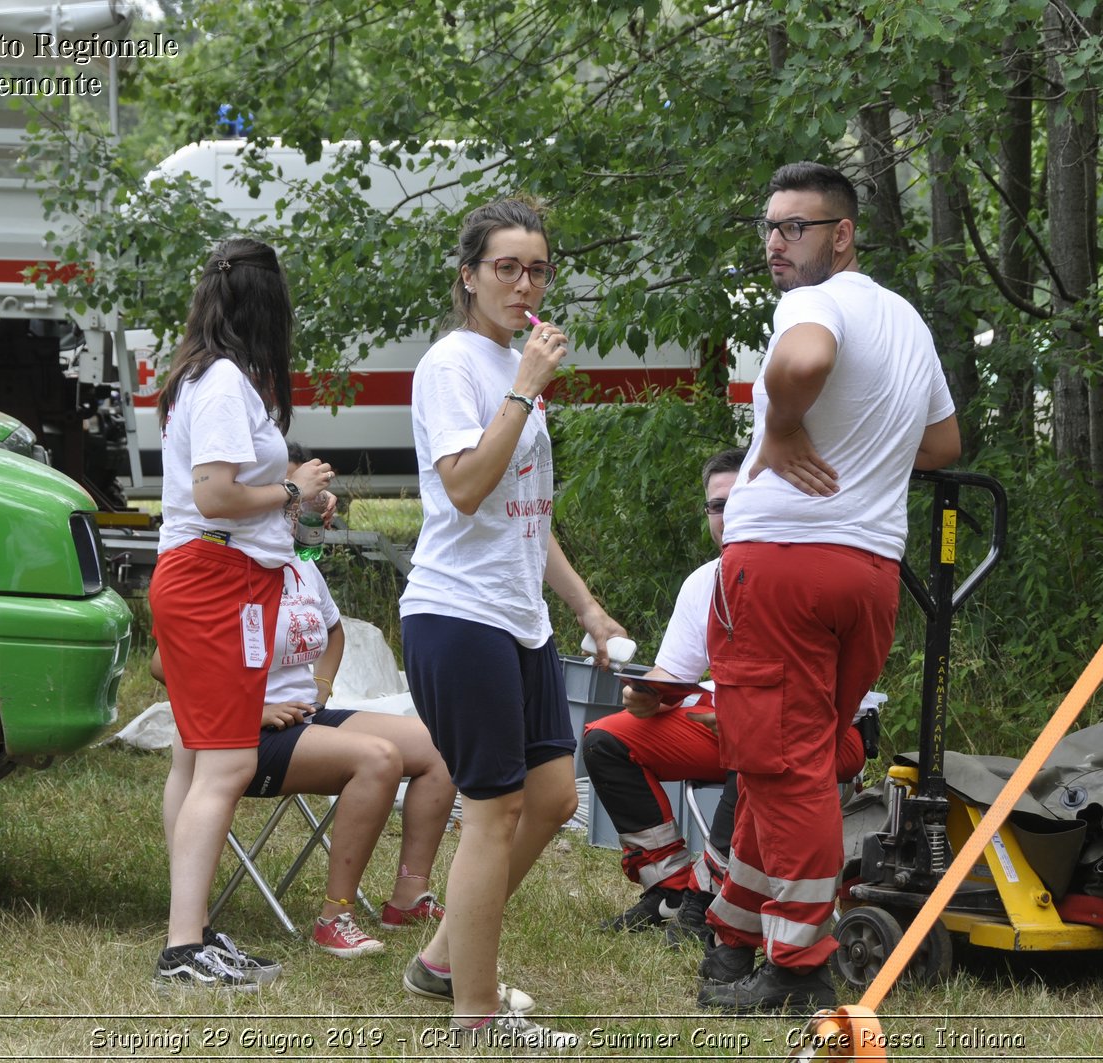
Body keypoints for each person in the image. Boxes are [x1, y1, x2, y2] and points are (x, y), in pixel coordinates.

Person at [697, 163, 961, 1014]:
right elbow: (944, 443)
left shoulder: (814, 304)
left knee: (786, 763)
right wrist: (866, 455)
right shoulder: (907, 320)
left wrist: (778, 426)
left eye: (796, 228)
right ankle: (737, 935)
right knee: (788, 757)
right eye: (769, 227)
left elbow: (803, 360)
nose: (776, 243)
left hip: (782, 562)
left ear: (841, 234)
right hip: (869, 571)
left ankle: (800, 966)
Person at [399, 196, 627, 1050]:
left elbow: (526, 515)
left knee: (554, 796)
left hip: (518, 618)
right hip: (457, 616)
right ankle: (476, 1019)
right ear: (469, 277)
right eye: (507, 267)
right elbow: (465, 485)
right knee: (491, 812)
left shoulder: (503, 366)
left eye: (537, 269)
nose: (524, 283)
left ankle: (441, 961)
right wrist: (525, 391)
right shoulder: (454, 366)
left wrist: (586, 606)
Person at [154, 447, 456, 960]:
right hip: (242, 733)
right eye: (291, 500)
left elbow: (334, 631)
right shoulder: (228, 568)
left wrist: (320, 685)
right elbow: (166, 666)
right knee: (377, 758)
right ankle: (335, 917)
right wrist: (251, 712)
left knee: (440, 745)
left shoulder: (296, 565)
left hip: (304, 715)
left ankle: (408, 894)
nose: (300, 512)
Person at [148, 236, 336, 991]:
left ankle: (188, 930)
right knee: (226, 761)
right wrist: (289, 489)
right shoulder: (225, 382)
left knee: (196, 758)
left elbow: (227, 501)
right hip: (214, 581)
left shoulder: (203, 374)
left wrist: (292, 504)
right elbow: (216, 495)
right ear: (268, 307)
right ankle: (184, 947)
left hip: (207, 573)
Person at [584, 448, 868, 944]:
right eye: (717, 505)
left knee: (753, 741)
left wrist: (746, 719)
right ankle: (670, 889)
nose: (727, 514)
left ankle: (704, 897)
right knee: (606, 741)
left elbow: (841, 688)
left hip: (825, 731)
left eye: (740, 500)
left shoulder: (813, 572)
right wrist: (647, 693)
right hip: (725, 722)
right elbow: (674, 673)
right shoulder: (704, 582)